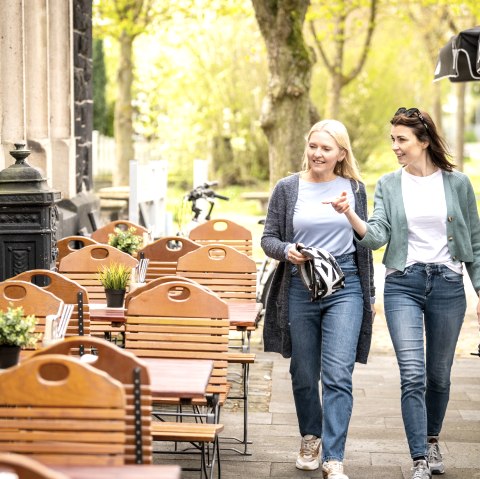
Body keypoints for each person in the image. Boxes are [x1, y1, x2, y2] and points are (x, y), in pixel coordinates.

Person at [328, 107, 480, 479]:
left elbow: (474, 241)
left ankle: (431, 439)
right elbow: (377, 237)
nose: (395, 146)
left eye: (402, 140)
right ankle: (419, 459)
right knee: (412, 374)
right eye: (392, 139)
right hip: (403, 285)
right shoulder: (388, 184)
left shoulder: (458, 184)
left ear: (424, 141)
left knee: (439, 376)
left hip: (447, 285)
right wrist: (350, 214)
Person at [261, 119, 375, 479]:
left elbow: (365, 244)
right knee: (304, 371)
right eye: (313, 146)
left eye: (326, 148)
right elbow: (268, 239)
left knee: (338, 373)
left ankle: (334, 456)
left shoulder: (354, 188)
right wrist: (287, 251)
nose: (317, 154)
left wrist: (369, 293)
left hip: (346, 285)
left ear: (341, 153)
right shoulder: (287, 188)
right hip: (301, 282)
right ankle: (311, 437)